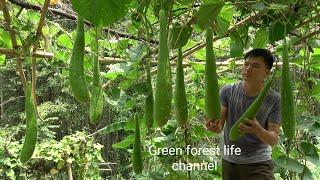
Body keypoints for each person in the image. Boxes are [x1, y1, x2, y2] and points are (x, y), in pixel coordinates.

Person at [206, 49, 280, 180]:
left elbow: (273, 140)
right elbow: (219, 127)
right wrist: (213, 126)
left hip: (259, 164)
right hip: (230, 161)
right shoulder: (227, 91)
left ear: (267, 73)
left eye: (255, 66)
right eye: (246, 64)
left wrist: (257, 130)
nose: (248, 68)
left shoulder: (274, 99)